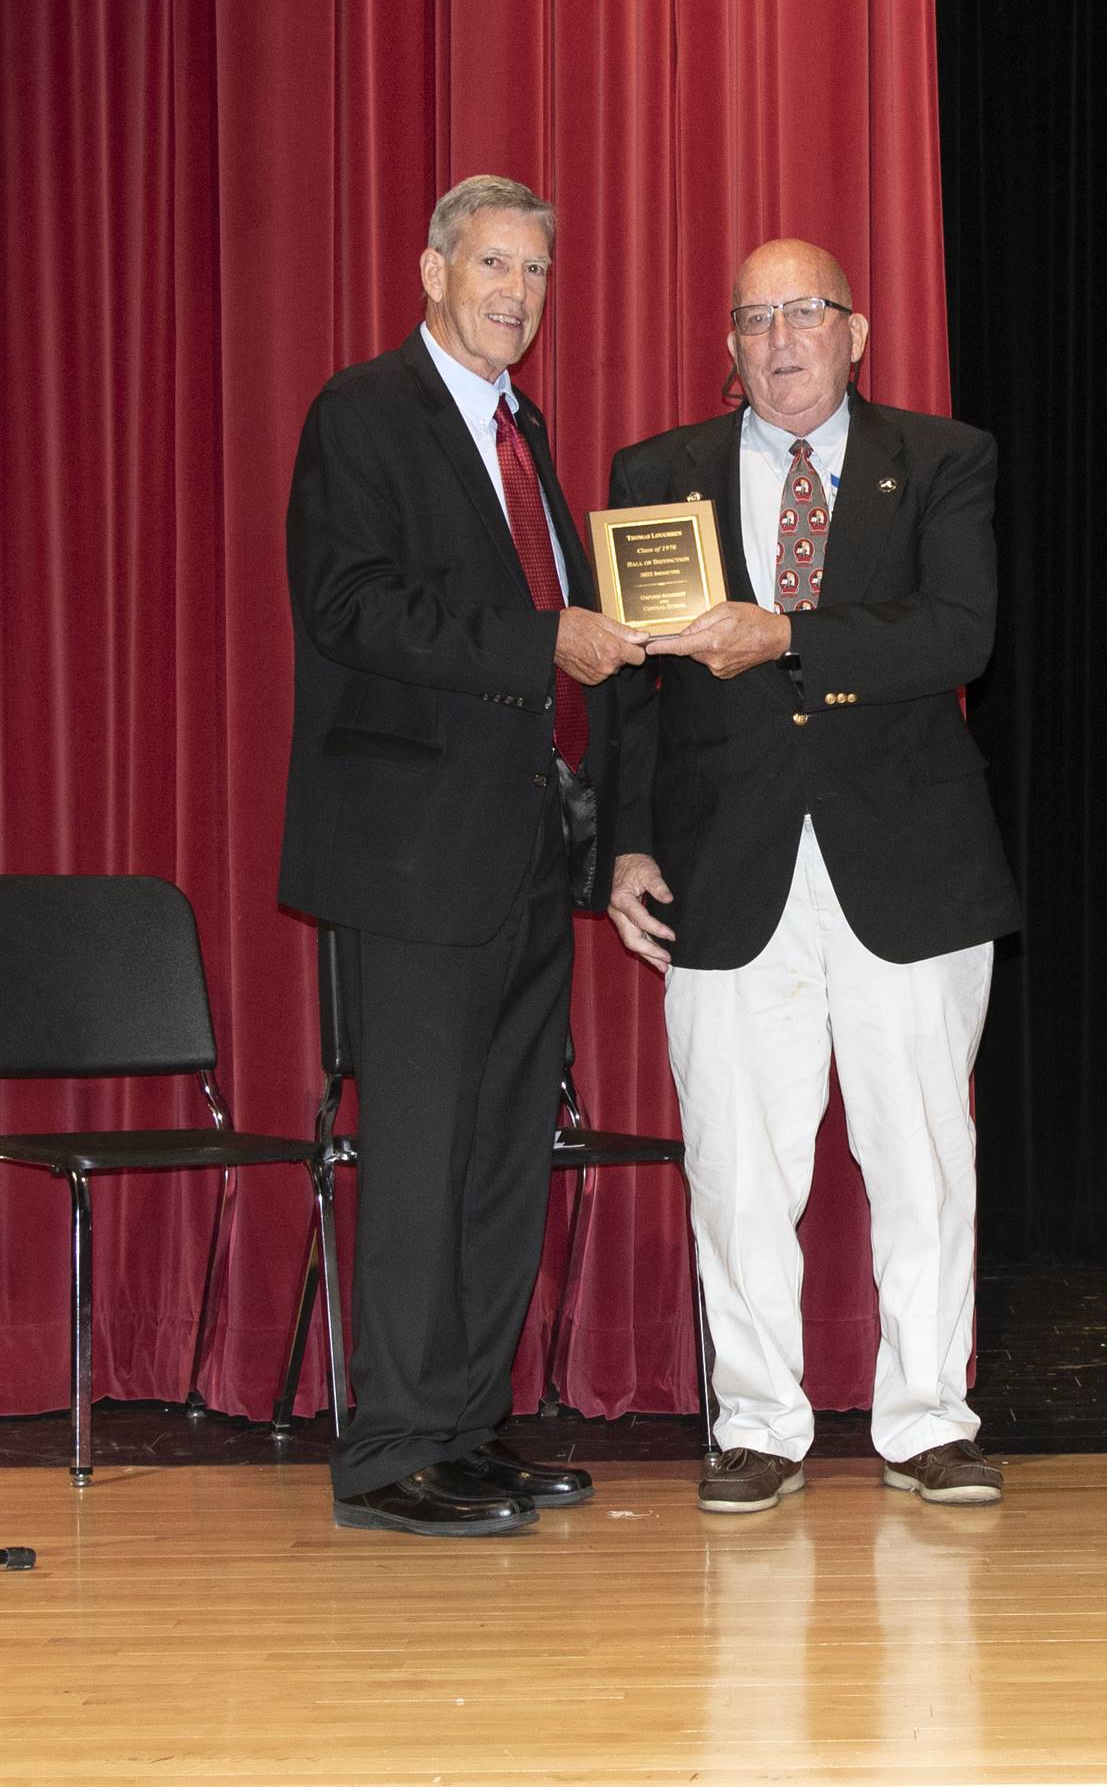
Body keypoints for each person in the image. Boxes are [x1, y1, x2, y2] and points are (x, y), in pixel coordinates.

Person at [607, 239, 1021, 1513]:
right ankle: (758, 1422)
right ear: (727, 348)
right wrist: (619, 841)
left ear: (857, 332)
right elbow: (629, 687)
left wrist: (784, 637)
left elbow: (960, 632)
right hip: (722, 871)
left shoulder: (943, 460)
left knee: (923, 1160)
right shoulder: (656, 473)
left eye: (804, 312)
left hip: (908, 865)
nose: (779, 337)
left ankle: (928, 1418)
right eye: (752, 319)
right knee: (737, 1165)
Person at [279, 176, 647, 1537]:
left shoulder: (520, 427)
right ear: (431, 267)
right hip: (412, 858)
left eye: (535, 273)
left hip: (520, 851)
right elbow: (348, 605)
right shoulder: (362, 412)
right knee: (424, 1152)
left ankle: (460, 1428)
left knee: (501, 1152)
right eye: (493, 263)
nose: (516, 292)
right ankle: (387, 1454)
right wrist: (536, 642)